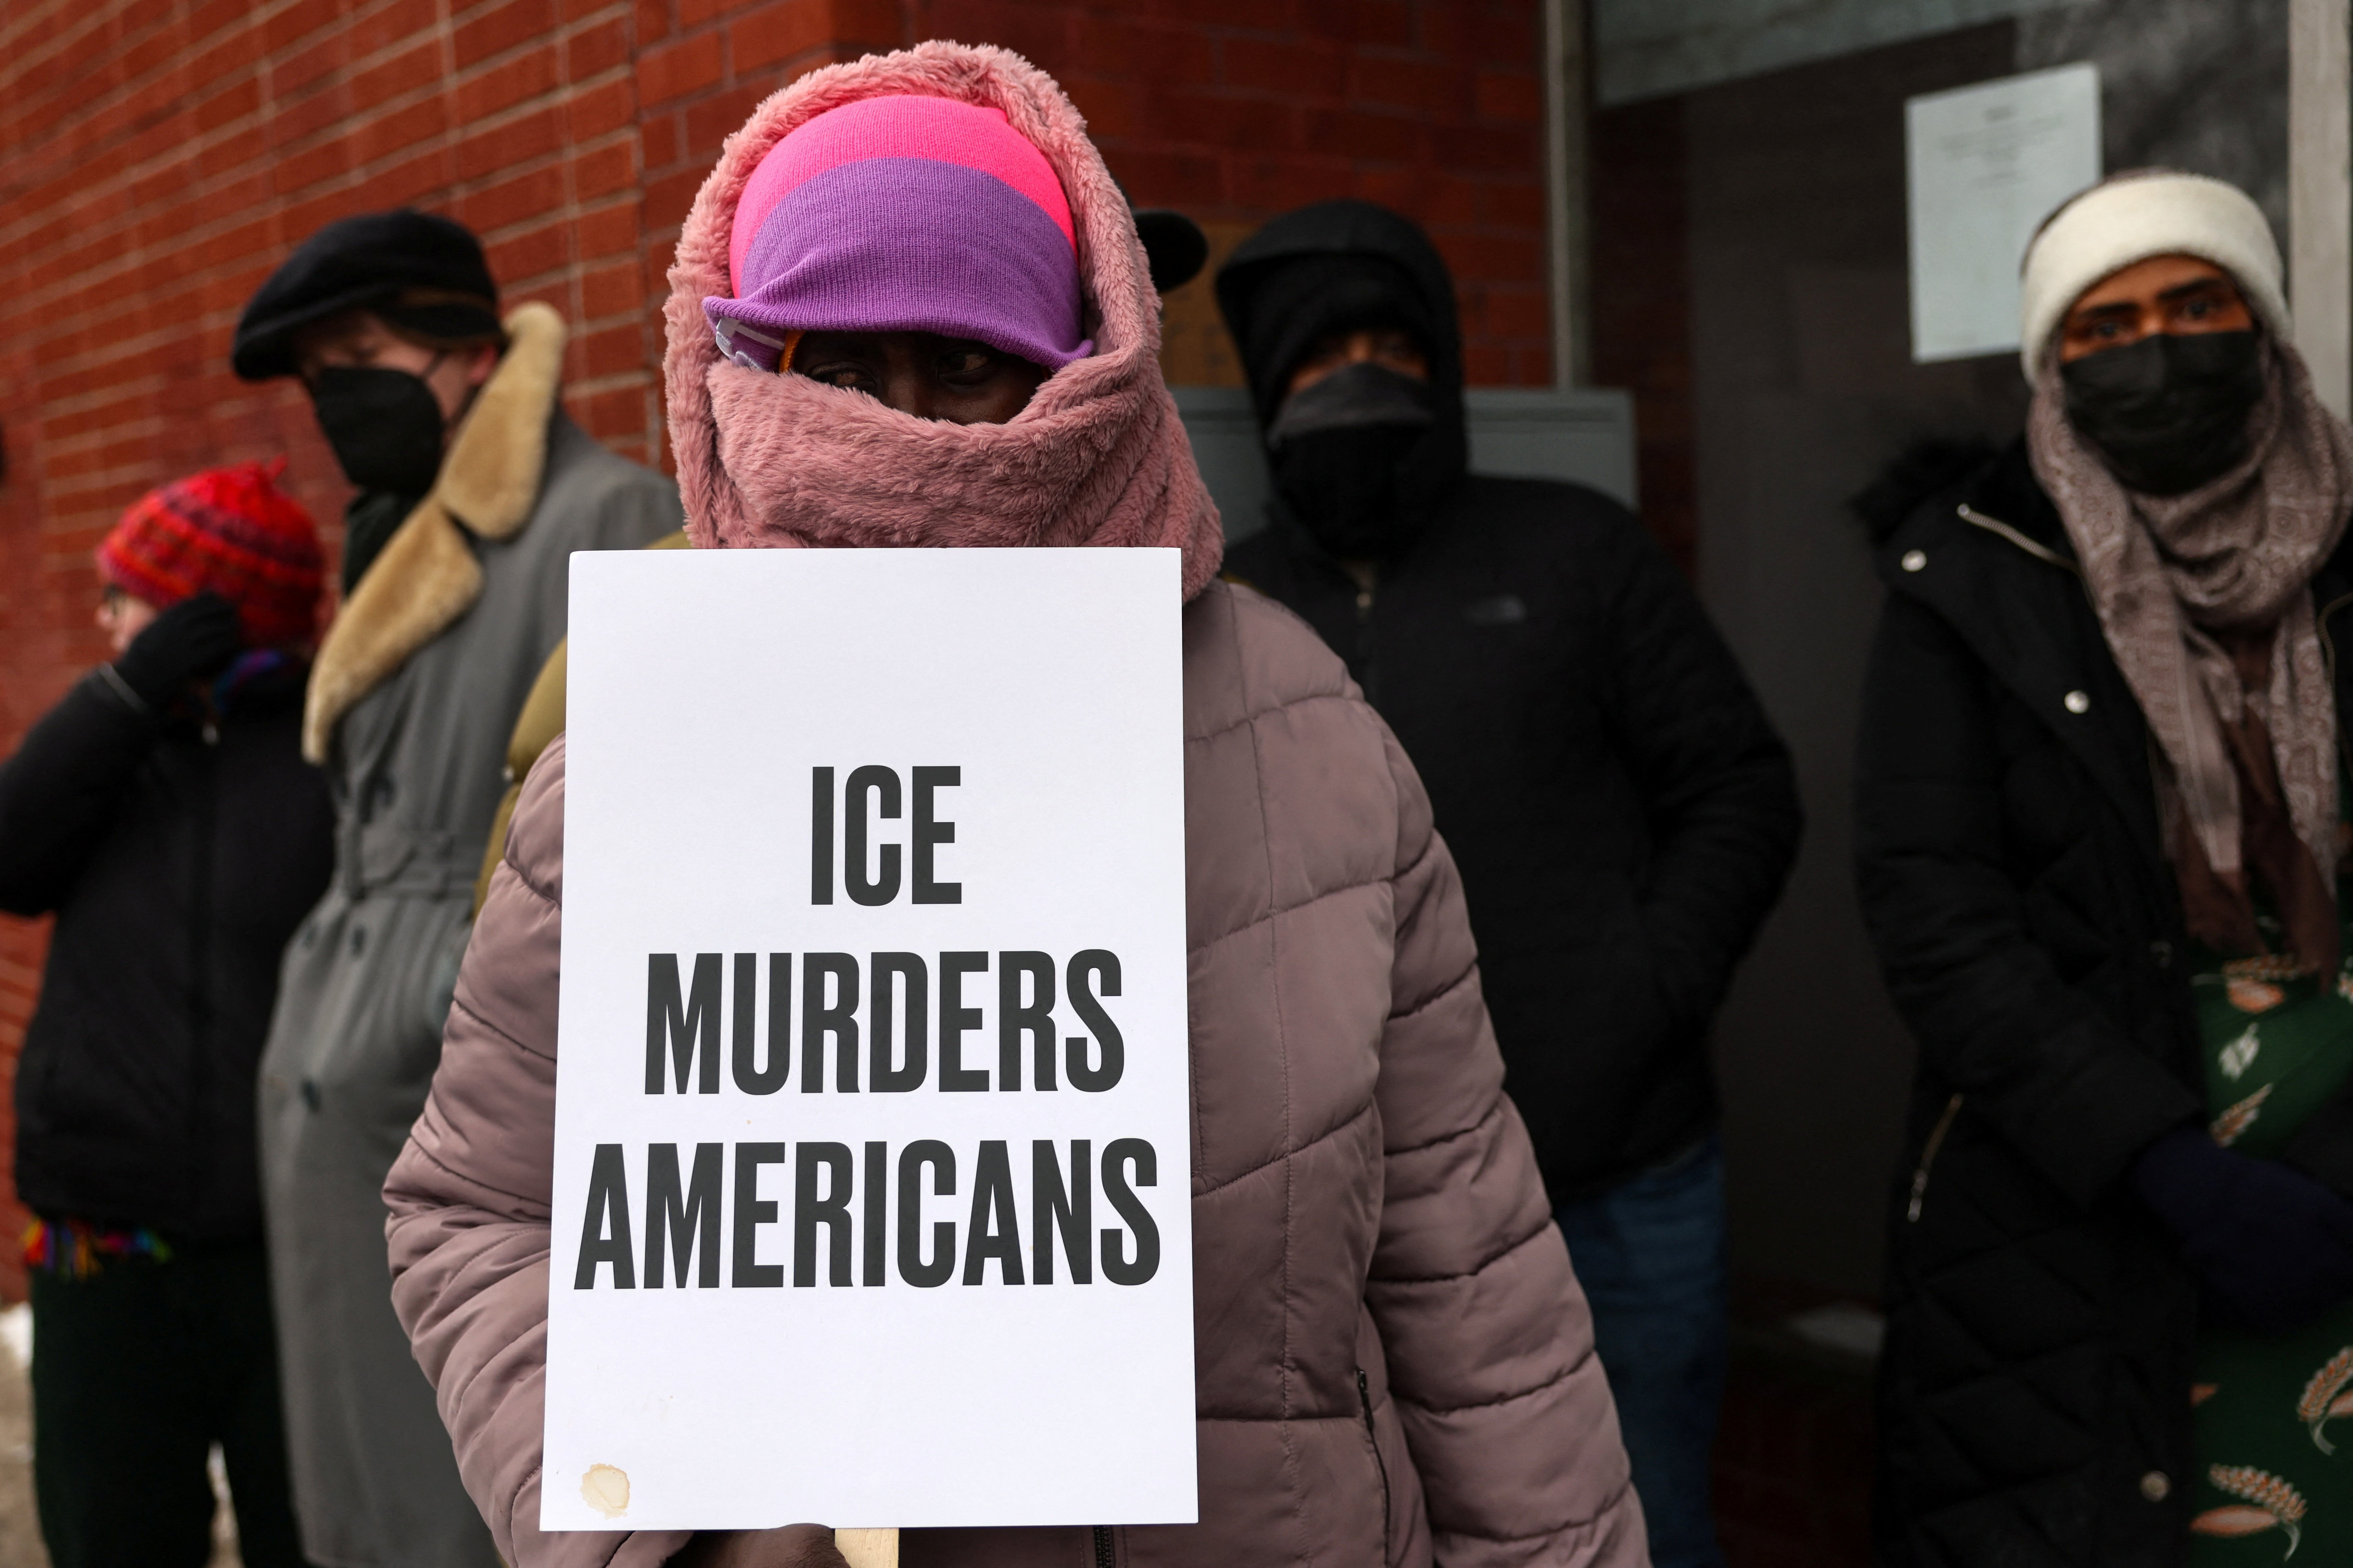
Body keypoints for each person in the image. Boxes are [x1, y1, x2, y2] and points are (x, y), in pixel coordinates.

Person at [379, 44, 1648, 1568]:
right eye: (839, 373)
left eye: (968, 362)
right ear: (746, 374)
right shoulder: (646, 759)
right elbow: (477, 1216)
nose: (907, 431)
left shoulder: (1306, 737)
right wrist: (667, 1538)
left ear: (1078, 370)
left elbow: (1476, 1283)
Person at [1215, 202, 1800, 1568]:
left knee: (1638, 1522)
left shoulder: (1578, 551)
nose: (1356, 382)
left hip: (1622, 1178)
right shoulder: (1228, 614)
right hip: (1361, 1229)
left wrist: (1644, 993)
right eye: (1318, 359)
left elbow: (1741, 788)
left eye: (1386, 346)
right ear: (1265, 395)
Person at [1856, 169, 2353, 1564]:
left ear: (2262, 325)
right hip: (2077, 1201)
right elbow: (1933, 909)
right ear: (2053, 361)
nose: (2157, 346)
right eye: (2108, 322)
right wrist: (2162, 1164)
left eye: (2198, 305)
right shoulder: (1967, 576)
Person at [233, 210, 685, 1566]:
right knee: (357, 1480)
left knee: (458, 1479)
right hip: (340, 1049)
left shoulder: (603, 515)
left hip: (456, 1057)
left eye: (362, 355)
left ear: (472, 351)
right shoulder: (389, 530)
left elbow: (619, 830)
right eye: (318, 376)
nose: (337, 400)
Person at [0, 463, 332, 1567]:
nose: (106, 617)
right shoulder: (116, 748)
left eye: (128, 592)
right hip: (106, 1241)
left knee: (314, 1535)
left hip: (282, 1252)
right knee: (112, 1535)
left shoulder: (331, 758)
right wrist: (129, 694)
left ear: (204, 611)